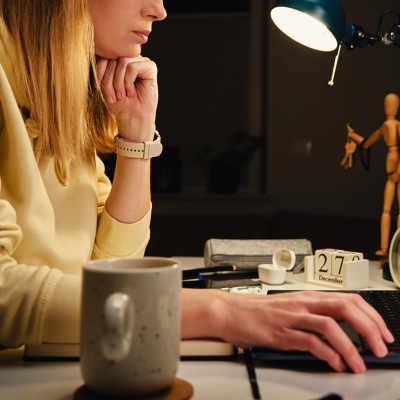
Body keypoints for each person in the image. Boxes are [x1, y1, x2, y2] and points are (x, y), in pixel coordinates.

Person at [0, 0, 394, 375]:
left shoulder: (66, 96)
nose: (160, 10)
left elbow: (110, 266)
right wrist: (223, 313)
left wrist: (136, 137)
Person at [341, 93, 400, 256]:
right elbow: (367, 143)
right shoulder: (385, 126)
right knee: (386, 209)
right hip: (391, 170)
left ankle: (396, 247)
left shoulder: (396, 126)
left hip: (396, 169)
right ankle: (384, 248)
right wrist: (352, 135)